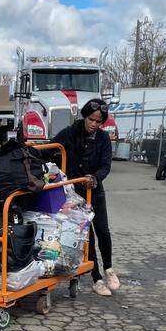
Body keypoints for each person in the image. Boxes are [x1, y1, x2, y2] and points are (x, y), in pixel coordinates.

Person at [52, 99, 119, 296]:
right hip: (75, 193)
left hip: (95, 191)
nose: (94, 124)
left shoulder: (103, 138)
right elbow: (50, 148)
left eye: (98, 122)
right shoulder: (70, 133)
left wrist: (95, 178)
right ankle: (96, 278)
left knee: (103, 231)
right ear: (85, 116)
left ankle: (108, 269)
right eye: (91, 120)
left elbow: (106, 165)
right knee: (86, 236)